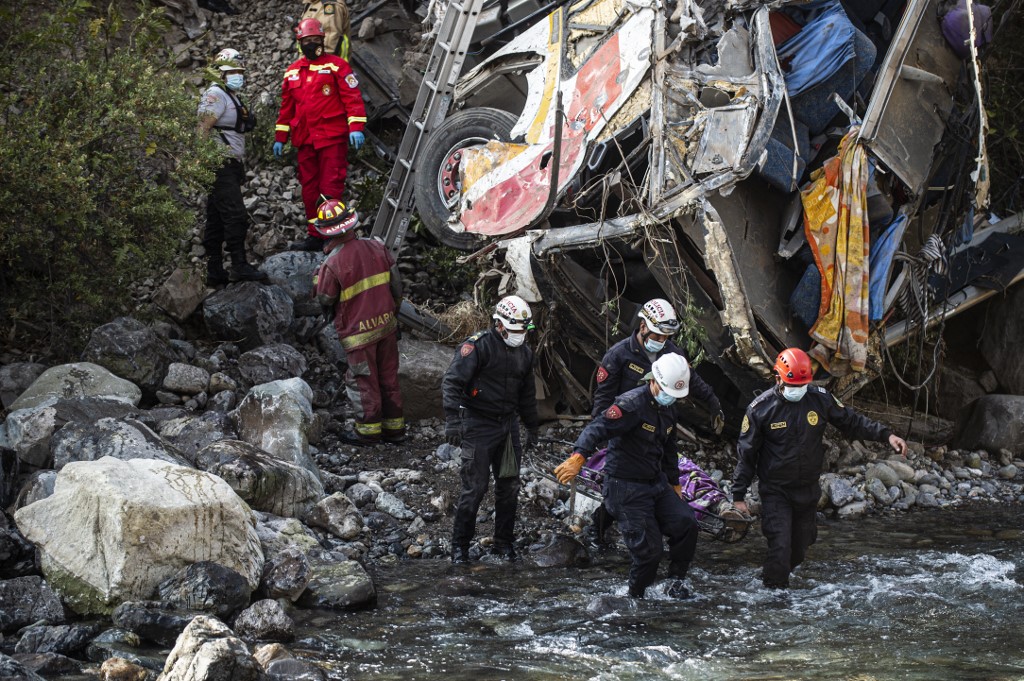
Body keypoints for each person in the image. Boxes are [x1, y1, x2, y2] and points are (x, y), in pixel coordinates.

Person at [732, 347, 908, 588]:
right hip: (776, 491)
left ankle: (773, 578)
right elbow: (747, 454)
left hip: (807, 489)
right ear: (778, 379)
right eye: (792, 387)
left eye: (802, 386)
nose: (798, 392)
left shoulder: (819, 398)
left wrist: (887, 436)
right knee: (780, 546)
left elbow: (852, 422)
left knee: (802, 546)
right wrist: (738, 496)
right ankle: (773, 601)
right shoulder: (761, 409)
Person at [555, 353, 699, 599]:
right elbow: (598, 428)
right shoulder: (631, 404)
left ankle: (674, 583)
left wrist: (675, 485)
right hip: (625, 488)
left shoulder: (668, 408)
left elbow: (669, 450)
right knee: (649, 552)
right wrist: (578, 457)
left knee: (687, 524)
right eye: (667, 392)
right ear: (654, 380)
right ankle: (634, 598)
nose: (670, 399)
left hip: (656, 483)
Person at [587, 298, 725, 543]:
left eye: (666, 337)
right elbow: (603, 399)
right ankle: (599, 529)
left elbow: (691, 379)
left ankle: (661, 530)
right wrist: (600, 438)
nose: (661, 342)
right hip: (626, 431)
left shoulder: (672, 353)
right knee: (621, 483)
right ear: (643, 327)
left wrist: (714, 403)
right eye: (658, 336)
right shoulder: (618, 356)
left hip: (659, 427)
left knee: (658, 478)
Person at [443, 295, 540, 564]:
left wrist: (532, 427)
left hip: (507, 427)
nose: (520, 336)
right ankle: (459, 548)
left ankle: (503, 544)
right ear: (499, 325)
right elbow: (452, 382)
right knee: (475, 487)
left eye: (524, 331)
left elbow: (527, 395)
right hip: (478, 423)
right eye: (516, 330)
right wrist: (452, 420)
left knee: (509, 486)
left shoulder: (525, 353)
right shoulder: (478, 347)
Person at [312, 198, 404, 445]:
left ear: (325, 231)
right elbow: (397, 285)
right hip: (386, 326)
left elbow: (325, 297)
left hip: (358, 334)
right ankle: (395, 429)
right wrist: (393, 312)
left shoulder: (332, 263)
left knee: (363, 381)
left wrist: (316, 279)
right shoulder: (376, 246)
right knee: (388, 377)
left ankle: (368, 431)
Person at [274, 18, 367, 251]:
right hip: (305, 140)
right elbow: (286, 108)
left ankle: (334, 234)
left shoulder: (337, 66)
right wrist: (280, 137)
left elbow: (352, 98)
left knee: (331, 187)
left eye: (316, 39)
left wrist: (355, 127)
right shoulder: (292, 73)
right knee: (309, 190)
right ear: (300, 42)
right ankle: (315, 235)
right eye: (307, 40)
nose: (312, 43)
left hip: (331, 138)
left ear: (323, 40)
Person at [197, 48, 267, 286]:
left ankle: (215, 270)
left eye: (239, 71)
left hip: (231, 163)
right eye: (232, 71)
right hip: (220, 163)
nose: (238, 75)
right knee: (235, 215)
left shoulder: (231, 95)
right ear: (220, 74)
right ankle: (239, 265)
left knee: (216, 217)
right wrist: (205, 160)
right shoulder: (215, 95)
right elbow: (202, 128)